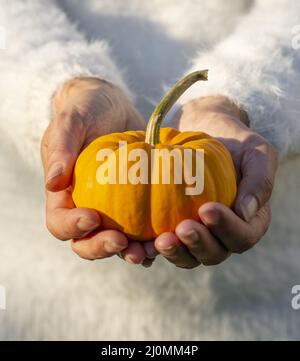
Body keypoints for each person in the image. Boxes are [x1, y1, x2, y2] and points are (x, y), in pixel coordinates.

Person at [0, 0, 299, 340]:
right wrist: (66, 85)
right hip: (35, 302)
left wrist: (240, 96)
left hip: (259, 301)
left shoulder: (209, 151)